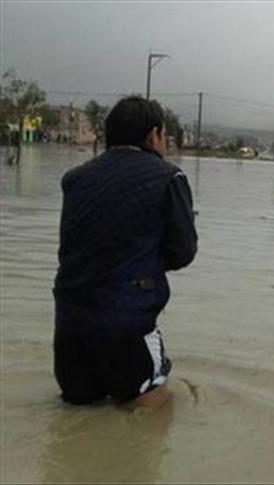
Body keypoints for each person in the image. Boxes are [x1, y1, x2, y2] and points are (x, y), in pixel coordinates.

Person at [53, 96, 197, 409]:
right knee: (154, 405)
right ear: (153, 135)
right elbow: (183, 252)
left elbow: (72, 245)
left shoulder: (74, 179)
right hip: (127, 321)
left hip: (69, 323)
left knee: (80, 413)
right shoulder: (169, 177)